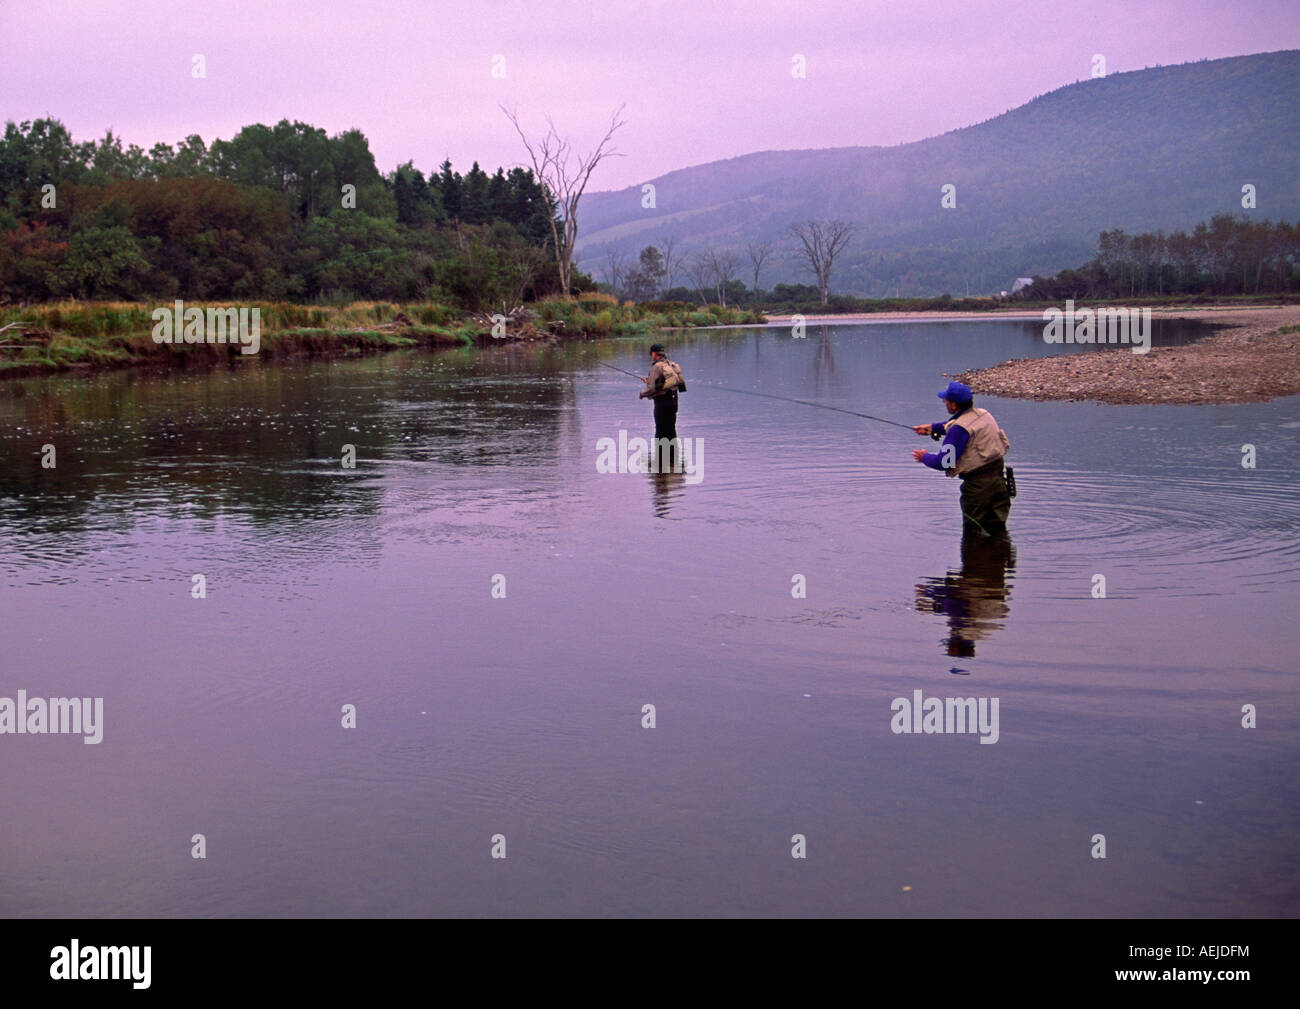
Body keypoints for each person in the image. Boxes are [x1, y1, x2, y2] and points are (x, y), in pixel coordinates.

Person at [912, 381, 1012, 536]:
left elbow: (944, 462)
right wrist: (932, 428)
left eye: (945, 400)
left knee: (974, 535)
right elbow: (959, 426)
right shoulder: (984, 414)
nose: (944, 402)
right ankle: (999, 558)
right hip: (999, 483)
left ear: (953, 405)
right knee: (997, 531)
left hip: (978, 490)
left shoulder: (958, 429)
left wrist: (924, 457)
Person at [638, 343, 682, 468]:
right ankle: (673, 461)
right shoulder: (670, 365)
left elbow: (651, 389)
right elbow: (662, 383)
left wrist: (641, 394)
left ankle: (662, 463)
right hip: (674, 402)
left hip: (662, 403)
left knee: (661, 431)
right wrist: (649, 380)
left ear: (654, 354)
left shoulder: (657, 367)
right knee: (671, 430)